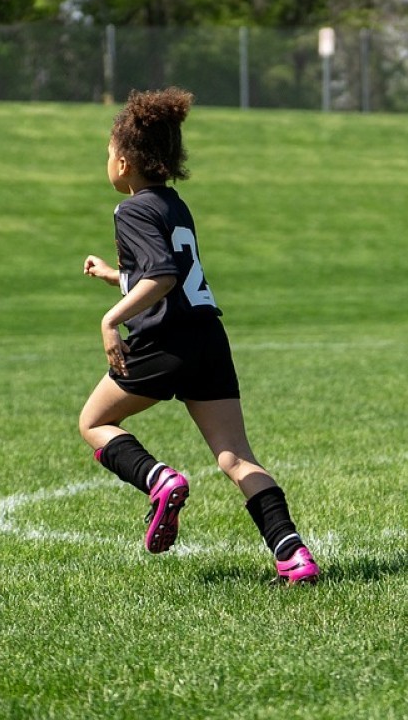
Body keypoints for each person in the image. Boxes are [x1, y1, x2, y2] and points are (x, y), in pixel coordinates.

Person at [77, 87, 320, 585]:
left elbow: (161, 276)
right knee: (235, 457)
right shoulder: (172, 205)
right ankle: (293, 556)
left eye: (107, 154)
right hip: (207, 337)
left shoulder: (129, 211)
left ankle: (158, 480)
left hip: (164, 340)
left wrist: (109, 320)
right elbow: (165, 273)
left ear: (123, 162)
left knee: (94, 422)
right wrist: (113, 275)